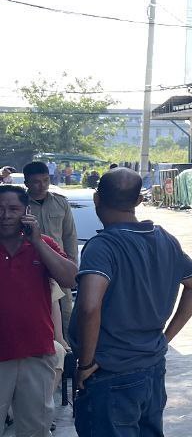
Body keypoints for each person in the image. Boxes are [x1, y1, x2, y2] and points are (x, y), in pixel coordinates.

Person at [71, 168, 192, 436]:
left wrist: (86, 364)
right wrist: (166, 337)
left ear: (97, 199)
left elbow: (89, 306)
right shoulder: (165, 240)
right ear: (138, 201)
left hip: (110, 372)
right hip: (151, 369)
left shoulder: (103, 247)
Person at [0, 184, 78, 437]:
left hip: (36, 352)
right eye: (0, 209)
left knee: (36, 428)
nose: (6, 215)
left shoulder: (43, 244)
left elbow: (70, 279)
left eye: (13, 209)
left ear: (27, 210)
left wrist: (36, 240)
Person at [22, 162, 77, 336]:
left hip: (59, 265)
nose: (42, 185)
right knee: (38, 311)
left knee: (66, 313)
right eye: (36, 181)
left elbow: (69, 236)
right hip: (31, 266)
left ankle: (67, 355)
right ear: (27, 183)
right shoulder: (20, 205)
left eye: (45, 180)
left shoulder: (61, 203)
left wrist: (72, 264)